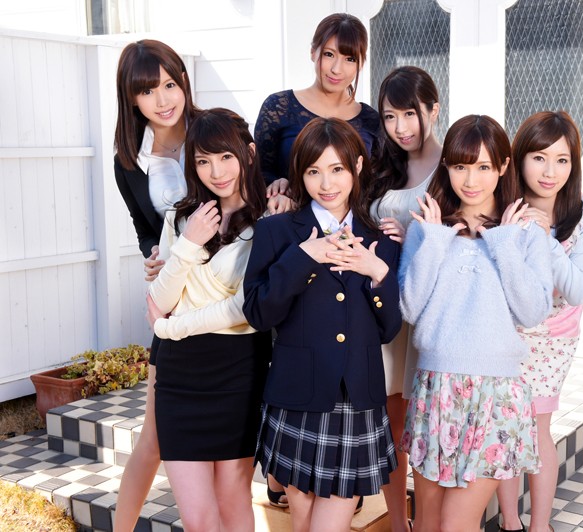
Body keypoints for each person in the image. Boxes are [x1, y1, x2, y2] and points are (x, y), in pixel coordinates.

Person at [243, 117, 402, 532]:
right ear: (300, 173)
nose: (326, 183)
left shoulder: (381, 240)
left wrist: (378, 273)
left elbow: (389, 329)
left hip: (356, 397)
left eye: (337, 169)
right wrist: (304, 257)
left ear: (358, 167)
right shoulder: (276, 231)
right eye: (313, 171)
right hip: (296, 393)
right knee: (302, 514)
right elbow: (258, 313)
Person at [398, 114, 554, 532]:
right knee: (428, 523)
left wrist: (503, 243)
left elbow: (532, 312)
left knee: (456, 523)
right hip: (436, 389)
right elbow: (409, 308)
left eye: (484, 166)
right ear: (446, 167)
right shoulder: (428, 229)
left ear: (503, 166)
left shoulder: (524, 232)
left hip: (496, 392)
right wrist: (434, 240)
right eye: (460, 166)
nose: (471, 180)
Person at [146, 108, 270, 531]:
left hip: (239, 371)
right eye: (203, 160)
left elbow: (245, 309)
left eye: (226, 157)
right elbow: (159, 299)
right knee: (197, 519)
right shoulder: (180, 219)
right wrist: (187, 244)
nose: (216, 172)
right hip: (179, 378)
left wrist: (172, 326)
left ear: (248, 154)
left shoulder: (270, 222)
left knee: (234, 502)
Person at [496, 111, 583, 532]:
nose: (550, 172)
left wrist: (546, 238)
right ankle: (510, 523)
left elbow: (577, 290)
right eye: (539, 158)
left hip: (554, 338)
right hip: (506, 334)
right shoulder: (503, 206)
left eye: (562, 160)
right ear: (520, 158)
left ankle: (540, 526)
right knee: (504, 426)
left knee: (537, 427)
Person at [112, 39, 200, 532]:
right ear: (132, 98)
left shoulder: (214, 129)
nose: (163, 99)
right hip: (173, 302)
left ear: (183, 81)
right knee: (155, 432)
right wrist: (152, 254)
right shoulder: (129, 159)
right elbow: (144, 226)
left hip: (228, 297)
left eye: (169, 84)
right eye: (147, 91)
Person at [367, 65, 442, 532]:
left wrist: (410, 234)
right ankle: (398, 523)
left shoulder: (452, 165)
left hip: (427, 313)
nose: (401, 127)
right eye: (390, 116)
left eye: (410, 114)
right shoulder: (382, 164)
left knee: (426, 430)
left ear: (433, 110)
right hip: (384, 310)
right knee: (391, 426)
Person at [254, 12, 379, 217]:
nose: (337, 69)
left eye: (349, 59)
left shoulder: (371, 120)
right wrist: (277, 185)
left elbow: (376, 185)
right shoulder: (278, 107)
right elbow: (256, 172)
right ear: (313, 52)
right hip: (288, 223)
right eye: (329, 54)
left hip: (350, 228)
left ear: (361, 64)